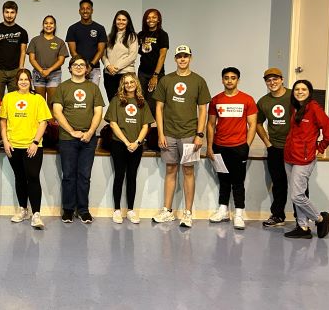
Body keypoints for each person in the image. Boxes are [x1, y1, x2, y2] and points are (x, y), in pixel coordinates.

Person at [151, 45, 210, 228]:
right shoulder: (166, 80)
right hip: (169, 134)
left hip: (189, 135)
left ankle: (188, 213)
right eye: (179, 56)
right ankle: (167, 211)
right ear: (175, 59)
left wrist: (199, 135)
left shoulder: (198, 81)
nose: (182, 59)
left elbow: (203, 110)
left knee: (188, 172)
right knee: (170, 170)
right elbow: (159, 108)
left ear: (190, 58)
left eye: (185, 56)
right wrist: (160, 133)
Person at [51, 55, 104, 223]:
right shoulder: (62, 87)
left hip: (88, 139)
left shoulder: (93, 88)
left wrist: (90, 132)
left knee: (84, 176)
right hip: (67, 138)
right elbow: (57, 112)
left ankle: (83, 209)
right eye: (76, 65)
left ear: (87, 69)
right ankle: (67, 209)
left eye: (82, 65)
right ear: (70, 68)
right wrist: (72, 131)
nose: (79, 67)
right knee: (68, 175)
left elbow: (98, 112)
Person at [283, 80, 329, 239]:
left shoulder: (313, 107)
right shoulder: (294, 107)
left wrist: (320, 148)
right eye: (297, 89)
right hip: (289, 156)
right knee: (295, 193)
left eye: (303, 89)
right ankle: (303, 227)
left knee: (297, 195)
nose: (299, 91)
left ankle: (320, 218)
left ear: (309, 91)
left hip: (304, 159)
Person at [0, 69, 52, 229]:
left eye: (26, 79)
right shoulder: (9, 97)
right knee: (19, 177)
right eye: (20, 79)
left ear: (30, 81)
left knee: (33, 177)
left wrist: (35, 142)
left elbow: (43, 122)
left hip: (32, 146)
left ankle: (36, 214)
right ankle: (23, 209)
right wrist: (5, 141)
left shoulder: (37, 99)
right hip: (14, 145)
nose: (23, 82)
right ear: (16, 81)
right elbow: (3, 121)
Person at [206, 67, 257, 230]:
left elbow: (253, 124)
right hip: (220, 146)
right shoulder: (215, 100)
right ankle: (223, 210)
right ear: (222, 80)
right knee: (223, 180)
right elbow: (211, 124)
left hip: (239, 147)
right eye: (226, 77)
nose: (229, 80)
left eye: (233, 78)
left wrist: (246, 145)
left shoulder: (247, 99)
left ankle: (239, 214)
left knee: (238, 182)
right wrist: (209, 146)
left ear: (238, 80)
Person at [104, 73, 153, 224]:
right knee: (119, 175)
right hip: (119, 144)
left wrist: (137, 142)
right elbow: (113, 123)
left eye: (132, 82)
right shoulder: (116, 100)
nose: (129, 85)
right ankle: (117, 210)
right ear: (122, 85)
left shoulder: (142, 102)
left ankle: (131, 210)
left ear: (136, 84)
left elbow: (146, 125)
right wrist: (126, 142)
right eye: (126, 83)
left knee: (132, 177)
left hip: (136, 145)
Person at [256, 67, 298, 228]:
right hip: (275, 148)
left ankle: (301, 217)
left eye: (275, 79)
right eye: (268, 80)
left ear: (282, 79)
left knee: (299, 184)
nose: (272, 82)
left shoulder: (293, 96)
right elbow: (258, 123)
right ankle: (278, 215)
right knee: (278, 182)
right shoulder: (263, 102)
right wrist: (268, 143)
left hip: (295, 148)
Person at [0, 0, 28, 146]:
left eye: (12, 12)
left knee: (14, 104)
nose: (9, 15)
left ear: (16, 13)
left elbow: (23, 52)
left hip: (15, 72)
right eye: (7, 12)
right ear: (3, 12)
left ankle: (12, 135)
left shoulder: (22, 32)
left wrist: (20, 70)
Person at [137, 8, 169, 150]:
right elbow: (140, 52)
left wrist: (155, 75)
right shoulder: (141, 35)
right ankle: (141, 136)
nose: (151, 20)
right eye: (148, 17)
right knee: (141, 102)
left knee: (151, 104)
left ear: (158, 19)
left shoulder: (162, 35)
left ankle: (150, 138)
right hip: (142, 73)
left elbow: (162, 55)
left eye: (154, 17)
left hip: (156, 74)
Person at [27, 15, 69, 109]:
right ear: (43, 25)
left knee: (52, 103)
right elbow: (32, 59)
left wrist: (49, 70)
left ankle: (51, 123)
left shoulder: (60, 42)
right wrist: (41, 71)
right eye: (46, 23)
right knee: (40, 103)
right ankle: (41, 124)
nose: (48, 25)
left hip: (54, 74)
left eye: (51, 23)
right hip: (38, 74)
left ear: (54, 26)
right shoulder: (35, 40)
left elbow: (61, 60)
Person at [65, 0, 107, 85]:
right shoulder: (72, 29)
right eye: (82, 9)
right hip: (78, 68)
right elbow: (72, 51)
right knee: (78, 96)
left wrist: (90, 66)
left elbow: (100, 50)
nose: (85, 11)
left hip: (94, 68)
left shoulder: (100, 28)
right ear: (79, 11)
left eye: (88, 8)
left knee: (93, 95)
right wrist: (82, 66)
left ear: (92, 10)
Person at [101, 10, 138, 101]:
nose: (121, 22)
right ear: (115, 21)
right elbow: (103, 54)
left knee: (126, 102)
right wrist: (108, 66)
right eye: (119, 19)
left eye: (124, 20)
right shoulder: (109, 37)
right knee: (113, 102)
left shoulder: (132, 36)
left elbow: (132, 56)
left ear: (128, 22)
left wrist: (116, 68)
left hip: (125, 74)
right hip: (109, 74)